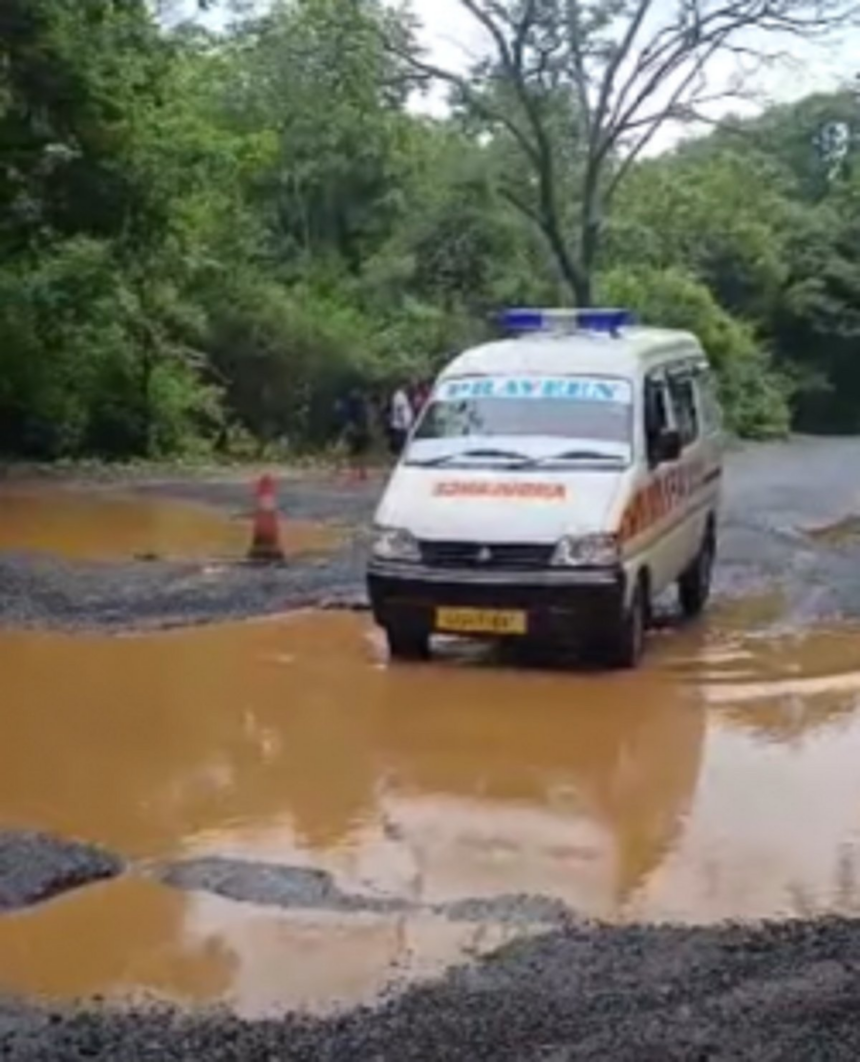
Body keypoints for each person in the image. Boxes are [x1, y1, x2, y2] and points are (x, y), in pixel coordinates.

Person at [341, 387, 371, 482]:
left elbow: (350, 419)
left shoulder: (356, 405)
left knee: (356, 452)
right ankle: (358, 471)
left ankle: (359, 471)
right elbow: (349, 419)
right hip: (358, 431)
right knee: (358, 452)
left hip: (359, 431)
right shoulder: (357, 405)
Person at [388, 383, 414, 457]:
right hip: (401, 422)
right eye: (405, 386)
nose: (407, 387)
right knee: (400, 437)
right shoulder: (399, 395)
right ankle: (398, 451)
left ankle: (397, 450)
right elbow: (400, 408)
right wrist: (402, 420)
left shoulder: (401, 394)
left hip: (401, 421)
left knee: (399, 436)